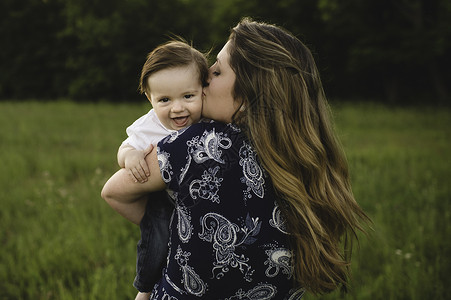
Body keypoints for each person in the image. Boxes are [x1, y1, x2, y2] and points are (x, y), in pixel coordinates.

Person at [102, 17, 369, 299]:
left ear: (247, 89)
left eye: (216, 72)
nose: (205, 77)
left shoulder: (203, 143)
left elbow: (114, 191)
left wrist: (172, 231)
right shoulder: (307, 157)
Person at [102, 40, 209, 299]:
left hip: (201, 196)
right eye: (164, 100)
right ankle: (146, 288)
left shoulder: (209, 117)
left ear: (203, 90)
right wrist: (131, 156)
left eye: (188, 96)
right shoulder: (148, 126)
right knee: (157, 237)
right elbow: (125, 148)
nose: (178, 108)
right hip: (166, 198)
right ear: (150, 99)